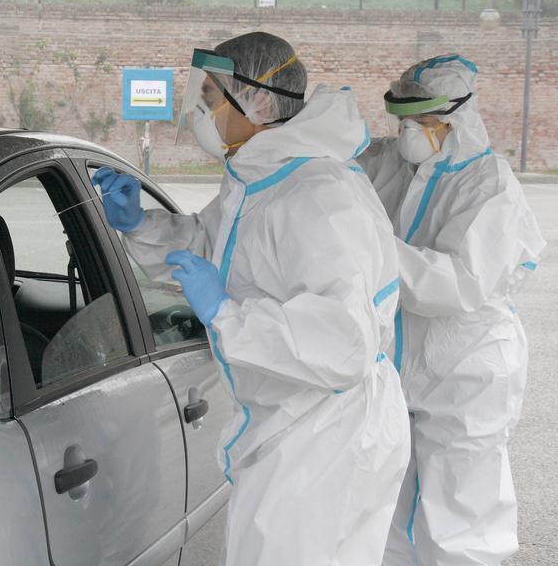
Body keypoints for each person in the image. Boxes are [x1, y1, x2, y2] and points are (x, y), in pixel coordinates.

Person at [93, 32, 409, 565]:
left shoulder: (319, 195)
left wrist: (227, 314)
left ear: (258, 100)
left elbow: (343, 344)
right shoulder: (262, 178)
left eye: (212, 98)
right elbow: (210, 245)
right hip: (288, 424)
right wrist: (140, 223)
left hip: (326, 436)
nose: (202, 112)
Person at [358, 55, 546, 566]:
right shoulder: (394, 164)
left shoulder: (489, 184)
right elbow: (336, 170)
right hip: (402, 363)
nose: (408, 132)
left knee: (462, 516)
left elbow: (456, 284)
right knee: (390, 505)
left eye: (422, 122)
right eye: (402, 121)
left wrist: (373, 245)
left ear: (456, 119)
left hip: (466, 367)